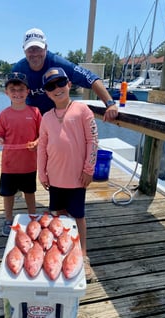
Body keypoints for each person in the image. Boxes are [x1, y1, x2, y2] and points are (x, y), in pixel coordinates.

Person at [37, 67, 98, 282]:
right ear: (46, 93)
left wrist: (88, 169)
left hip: (77, 179)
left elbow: (93, 141)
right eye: (50, 86)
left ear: (69, 84)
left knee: (78, 216)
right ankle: (61, 251)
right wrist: (41, 174)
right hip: (54, 178)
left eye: (60, 83)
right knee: (58, 215)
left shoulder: (83, 110)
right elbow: (42, 146)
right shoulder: (46, 117)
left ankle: (83, 254)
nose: (57, 88)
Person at [12, 28, 118, 119]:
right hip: (32, 118)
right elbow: (14, 98)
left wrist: (110, 104)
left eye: (38, 48)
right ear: (24, 50)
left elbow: (91, 78)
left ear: (46, 48)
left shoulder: (58, 63)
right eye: (30, 49)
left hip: (58, 117)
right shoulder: (18, 70)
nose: (34, 53)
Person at [0, 73, 42, 236]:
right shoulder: (3, 115)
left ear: (28, 91)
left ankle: (33, 217)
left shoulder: (35, 112)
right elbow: (0, 134)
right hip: (9, 164)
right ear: (6, 92)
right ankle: (8, 219)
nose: (17, 93)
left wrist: (37, 142)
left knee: (29, 191)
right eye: (12, 89)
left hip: (29, 163)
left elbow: (42, 134)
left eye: (21, 89)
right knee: (8, 193)